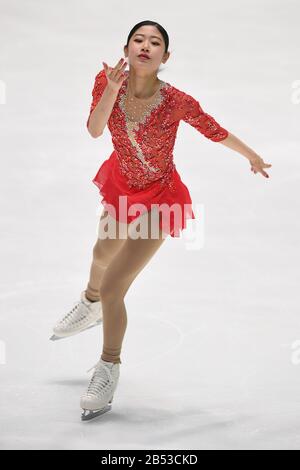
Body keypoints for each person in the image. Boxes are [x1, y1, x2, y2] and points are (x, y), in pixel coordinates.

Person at [50, 20, 272, 420]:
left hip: (159, 199)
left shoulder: (176, 101)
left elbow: (213, 129)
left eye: (155, 42)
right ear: (127, 48)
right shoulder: (106, 81)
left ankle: (108, 366)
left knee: (116, 285)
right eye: (139, 39)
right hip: (121, 185)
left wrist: (251, 155)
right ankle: (89, 301)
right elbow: (95, 130)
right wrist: (113, 90)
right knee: (100, 255)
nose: (146, 46)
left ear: (164, 57)